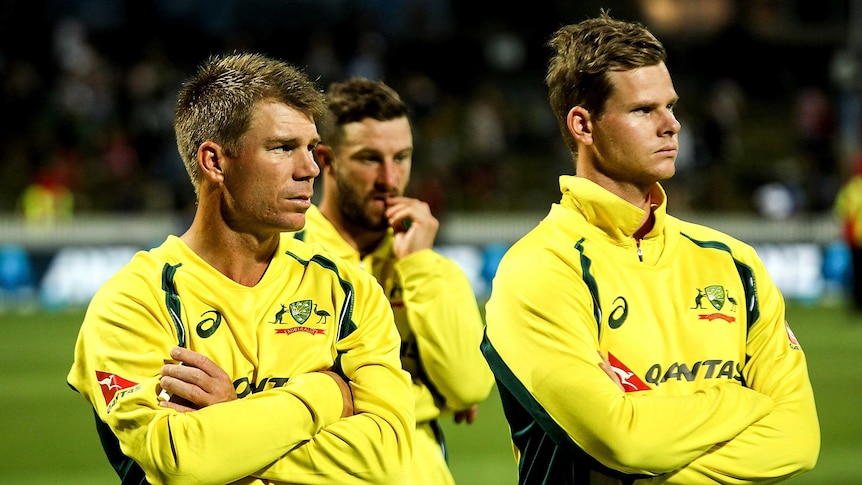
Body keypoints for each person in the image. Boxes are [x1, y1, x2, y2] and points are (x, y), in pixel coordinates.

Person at [479, 11, 820, 484]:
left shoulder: (733, 263)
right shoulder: (540, 270)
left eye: (671, 106)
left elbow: (799, 439)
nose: (672, 125)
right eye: (644, 110)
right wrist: (744, 400)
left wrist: (647, 424)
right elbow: (620, 441)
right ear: (583, 125)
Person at [66, 53, 414, 485]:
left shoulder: (348, 290)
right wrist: (324, 393)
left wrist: (232, 426)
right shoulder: (133, 303)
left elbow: (391, 458)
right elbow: (179, 459)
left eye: (309, 148)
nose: (310, 168)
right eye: (283, 148)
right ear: (214, 162)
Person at [295, 77, 494, 484]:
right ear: (325, 160)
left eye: (401, 157)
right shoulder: (285, 257)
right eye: (370, 159)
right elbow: (272, 396)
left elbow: (471, 386)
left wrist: (418, 263)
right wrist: (431, 397)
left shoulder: (426, 265)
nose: (390, 178)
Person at [832, 152, 862, 313]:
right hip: (857, 238)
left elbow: (842, 211)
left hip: (856, 239)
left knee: (856, 274)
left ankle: (857, 304)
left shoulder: (851, 188)